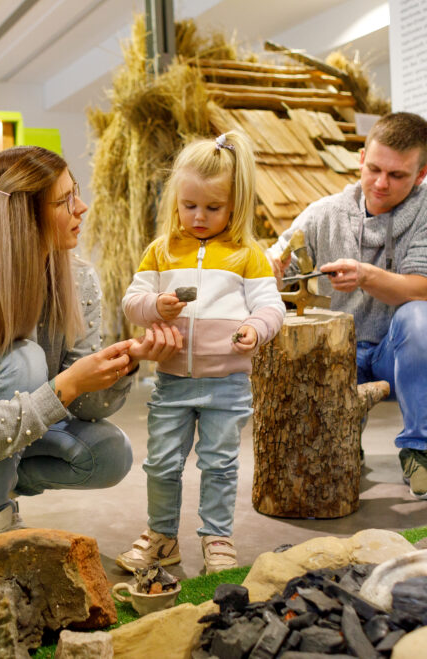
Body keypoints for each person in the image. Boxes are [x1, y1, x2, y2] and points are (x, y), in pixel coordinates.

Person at [0, 146, 183, 572]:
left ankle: (2, 476)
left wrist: (124, 364)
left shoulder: (79, 278)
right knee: (23, 358)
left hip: (4, 426)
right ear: (24, 216)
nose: (82, 208)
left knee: (111, 453)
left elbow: (84, 407)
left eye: (75, 194)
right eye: (65, 201)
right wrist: (70, 382)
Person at [267, 112, 427, 500]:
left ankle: (419, 451)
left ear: (422, 174)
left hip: (394, 350)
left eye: (398, 175)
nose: (381, 183)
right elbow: (276, 258)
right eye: (374, 169)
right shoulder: (324, 213)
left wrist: (366, 275)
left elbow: (421, 288)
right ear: (361, 158)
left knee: (422, 317)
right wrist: (269, 268)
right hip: (338, 352)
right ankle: (341, 439)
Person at [117, 131, 286, 574]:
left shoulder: (248, 255)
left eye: (213, 208)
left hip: (226, 385)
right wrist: (157, 305)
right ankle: (161, 537)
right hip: (171, 381)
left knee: (219, 464)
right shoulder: (161, 251)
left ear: (236, 204)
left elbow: (271, 307)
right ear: (176, 199)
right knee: (161, 463)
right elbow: (132, 301)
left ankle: (217, 538)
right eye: (189, 205)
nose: (198, 216)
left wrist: (255, 328)